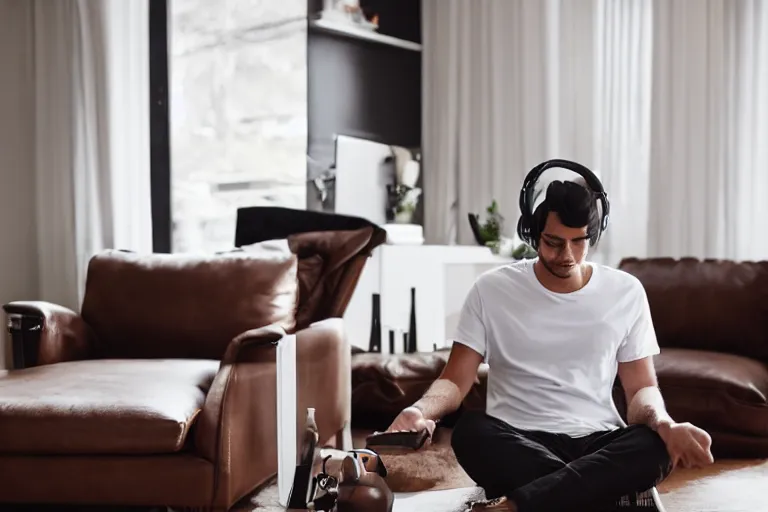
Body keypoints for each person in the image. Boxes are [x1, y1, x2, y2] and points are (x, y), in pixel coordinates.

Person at [386, 179, 714, 512]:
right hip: (517, 438)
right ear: (531, 233)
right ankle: (594, 494)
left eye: (578, 242)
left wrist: (664, 424)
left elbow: (641, 387)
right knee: (470, 432)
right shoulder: (491, 290)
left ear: (594, 236)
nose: (566, 255)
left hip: (596, 441)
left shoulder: (626, 292)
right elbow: (456, 379)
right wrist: (420, 410)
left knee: (653, 445)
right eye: (553, 242)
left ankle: (517, 506)